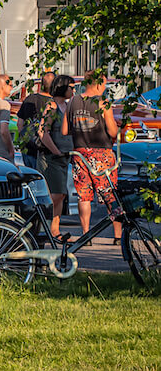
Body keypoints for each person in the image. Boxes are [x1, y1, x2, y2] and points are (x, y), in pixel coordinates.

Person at [62, 69, 121, 245]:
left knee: (84, 195)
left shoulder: (72, 101)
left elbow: (65, 130)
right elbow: (112, 131)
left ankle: (86, 234)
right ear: (98, 84)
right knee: (110, 194)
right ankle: (118, 235)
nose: (105, 87)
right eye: (104, 84)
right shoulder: (103, 103)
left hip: (80, 154)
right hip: (101, 154)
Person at [37, 74, 75, 240]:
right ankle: (50, 228)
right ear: (62, 87)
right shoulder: (51, 106)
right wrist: (55, 151)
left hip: (66, 155)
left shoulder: (68, 106)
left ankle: (54, 228)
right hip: (52, 157)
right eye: (71, 87)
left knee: (61, 193)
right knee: (56, 194)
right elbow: (42, 131)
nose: (73, 91)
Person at [17, 71, 56, 168]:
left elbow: (19, 123)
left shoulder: (30, 98)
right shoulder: (53, 104)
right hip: (44, 151)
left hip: (27, 148)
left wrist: (26, 139)